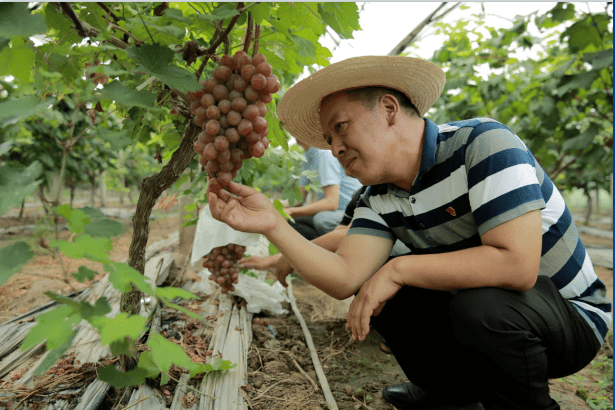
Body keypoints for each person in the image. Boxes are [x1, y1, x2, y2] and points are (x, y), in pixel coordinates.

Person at [206, 56, 612, 410]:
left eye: (341, 127)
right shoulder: (378, 198)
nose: (336, 148)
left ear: (388, 108)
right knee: (382, 291)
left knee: (463, 300)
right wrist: (274, 225)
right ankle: (450, 392)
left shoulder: (483, 144)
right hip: (481, 316)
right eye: (329, 140)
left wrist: (397, 270)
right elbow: (345, 275)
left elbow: (516, 266)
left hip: (568, 319)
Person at [285, 139, 362, 240]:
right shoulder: (307, 157)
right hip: (334, 212)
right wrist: (273, 205)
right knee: (294, 221)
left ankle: (330, 247)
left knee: (322, 219)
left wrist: (291, 211)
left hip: (349, 212)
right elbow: (299, 198)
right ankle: (314, 249)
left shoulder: (324, 154)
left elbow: (332, 203)